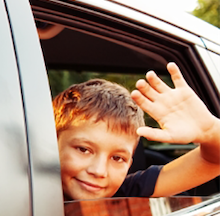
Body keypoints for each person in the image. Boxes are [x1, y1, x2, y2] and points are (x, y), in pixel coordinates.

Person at [53, 62, 220, 200]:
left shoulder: (128, 193)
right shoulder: (28, 192)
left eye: (117, 158)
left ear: (129, 163)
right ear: (52, 145)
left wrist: (210, 130)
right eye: (83, 150)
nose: (99, 171)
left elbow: (213, 161)